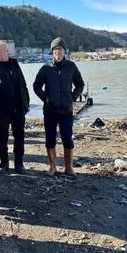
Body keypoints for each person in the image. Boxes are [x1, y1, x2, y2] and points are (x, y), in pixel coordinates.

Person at [33, 37, 85, 177]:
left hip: (66, 110)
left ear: (64, 51)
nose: (57, 51)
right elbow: (36, 86)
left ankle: (69, 167)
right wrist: (45, 98)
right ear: (52, 52)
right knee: (50, 138)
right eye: (55, 49)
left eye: (60, 49)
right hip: (50, 110)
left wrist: (73, 97)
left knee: (67, 138)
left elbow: (80, 84)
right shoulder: (46, 68)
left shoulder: (71, 67)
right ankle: (53, 167)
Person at [0, 41, 30, 174]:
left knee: (20, 137)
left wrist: (25, 104)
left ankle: (19, 163)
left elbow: (23, 84)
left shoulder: (13, 63)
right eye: (5, 51)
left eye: (8, 51)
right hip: (1, 111)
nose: (8, 53)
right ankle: (4, 163)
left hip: (18, 109)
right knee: (2, 139)